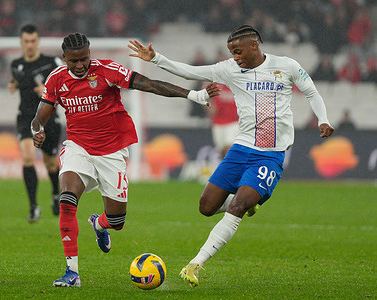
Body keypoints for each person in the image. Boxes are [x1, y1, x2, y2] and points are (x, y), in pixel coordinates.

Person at [129, 24, 335, 287]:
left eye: (238, 51)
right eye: (231, 53)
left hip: (269, 155)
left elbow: (311, 91)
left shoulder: (286, 66)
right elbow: (189, 70)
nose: (235, 57)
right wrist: (156, 59)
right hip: (241, 149)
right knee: (206, 208)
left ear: (254, 46)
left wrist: (323, 119)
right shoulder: (230, 69)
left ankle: (195, 263)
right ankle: (250, 202)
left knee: (237, 207)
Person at [30, 32, 219, 287]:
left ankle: (100, 224)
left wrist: (193, 95)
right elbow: (40, 114)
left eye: (84, 58)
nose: (80, 65)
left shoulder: (107, 70)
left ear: (90, 53)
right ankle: (71, 272)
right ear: (64, 58)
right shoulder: (57, 79)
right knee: (67, 200)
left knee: (117, 221)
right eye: (74, 60)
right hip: (78, 148)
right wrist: (37, 129)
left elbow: (149, 84)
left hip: (112, 151)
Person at [8, 24, 63, 223]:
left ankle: (56, 194)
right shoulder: (16, 64)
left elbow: (67, 85)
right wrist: (13, 86)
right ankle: (33, 207)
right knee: (28, 158)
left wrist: (49, 92)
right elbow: (17, 80)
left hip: (47, 116)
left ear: (38, 41)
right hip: (25, 117)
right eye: (26, 41)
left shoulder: (52, 62)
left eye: (32, 41)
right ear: (21, 42)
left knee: (50, 163)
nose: (29, 45)